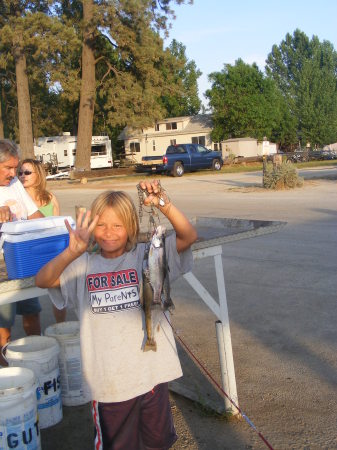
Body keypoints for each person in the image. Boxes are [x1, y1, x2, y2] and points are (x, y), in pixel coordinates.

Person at [36, 180, 198, 450]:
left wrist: (162, 203)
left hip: (152, 376)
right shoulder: (82, 266)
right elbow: (43, 280)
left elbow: (188, 236)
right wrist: (71, 252)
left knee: (158, 442)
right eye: (101, 225)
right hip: (109, 383)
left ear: (131, 228)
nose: (109, 233)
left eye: (117, 226)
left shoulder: (146, 256)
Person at [0, 139, 44, 366]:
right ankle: (6, 368)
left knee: (32, 310)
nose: (13, 172)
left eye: (15, 167)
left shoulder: (15, 184)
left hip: (25, 260)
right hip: (2, 268)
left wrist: (56, 229)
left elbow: (35, 214)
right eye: (8, 167)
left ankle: (37, 357)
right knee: (3, 320)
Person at [19, 158, 66, 323]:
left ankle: (61, 327)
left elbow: (58, 227)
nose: (22, 176)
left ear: (38, 175)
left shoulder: (50, 197)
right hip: (27, 254)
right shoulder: (17, 199)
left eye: (27, 172)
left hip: (49, 251)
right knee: (28, 306)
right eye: (20, 173)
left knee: (59, 294)